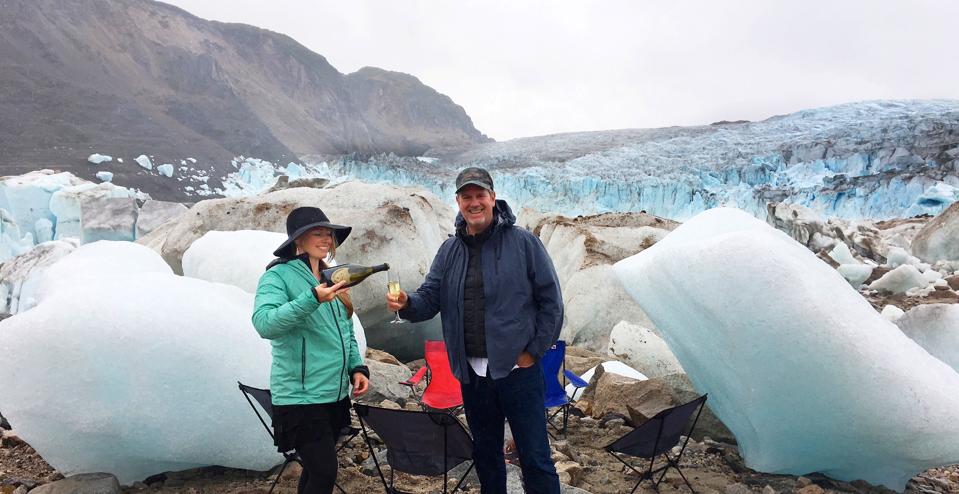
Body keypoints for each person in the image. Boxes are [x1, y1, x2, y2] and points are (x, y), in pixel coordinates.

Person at [387, 167, 564, 493]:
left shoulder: (523, 243)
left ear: (492, 198)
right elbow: (429, 298)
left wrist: (532, 353)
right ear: (458, 202)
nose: (474, 202)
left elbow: (551, 303)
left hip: (518, 372)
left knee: (535, 457)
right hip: (473, 376)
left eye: (480, 195)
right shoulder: (450, 250)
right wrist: (407, 303)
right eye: (466, 196)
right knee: (485, 456)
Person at [253, 206, 370, 494]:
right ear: (298, 239)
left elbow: (345, 330)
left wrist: (356, 367)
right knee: (325, 472)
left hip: (333, 394)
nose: (327, 239)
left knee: (315, 471)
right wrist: (312, 298)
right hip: (300, 396)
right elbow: (265, 323)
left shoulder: (333, 276)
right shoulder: (277, 276)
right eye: (318, 233)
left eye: (329, 234)